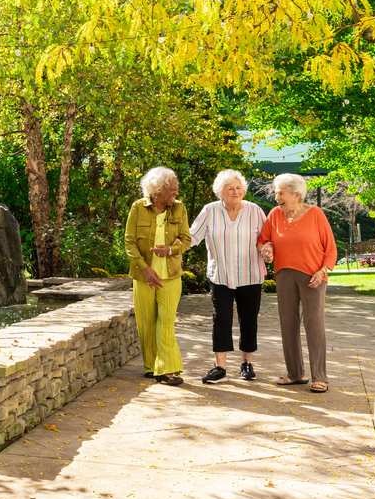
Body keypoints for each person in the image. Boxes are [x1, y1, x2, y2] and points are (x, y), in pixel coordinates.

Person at [257, 173, 337, 393]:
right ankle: (295, 374)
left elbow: (330, 249)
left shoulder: (316, 214)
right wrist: (266, 249)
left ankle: (320, 376)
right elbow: (263, 240)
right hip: (284, 275)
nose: (276, 198)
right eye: (276, 193)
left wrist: (322, 272)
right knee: (288, 324)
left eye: (281, 193)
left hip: (313, 276)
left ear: (297, 195)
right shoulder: (274, 215)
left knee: (314, 324)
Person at [188, 170, 267, 384]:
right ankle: (220, 367)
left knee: (248, 320)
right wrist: (172, 246)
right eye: (230, 188)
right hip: (220, 275)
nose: (235, 191)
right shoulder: (210, 210)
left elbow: (266, 238)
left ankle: (246, 364)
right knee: (221, 320)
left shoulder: (254, 210)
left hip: (250, 274)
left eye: (238, 187)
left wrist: (267, 250)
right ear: (220, 192)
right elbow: (193, 236)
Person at [125, 167, 190, 386]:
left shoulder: (179, 209)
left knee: (166, 323)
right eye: (172, 189)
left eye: (176, 189)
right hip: (144, 276)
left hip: (170, 276)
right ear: (157, 189)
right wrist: (144, 268)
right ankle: (152, 366)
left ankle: (168, 369)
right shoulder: (138, 207)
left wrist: (172, 250)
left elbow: (186, 240)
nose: (176, 194)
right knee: (147, 323)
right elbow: (129, 242)